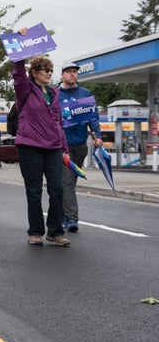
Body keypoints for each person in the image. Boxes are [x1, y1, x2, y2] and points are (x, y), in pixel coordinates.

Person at [13, 55, 71, 246]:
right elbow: (18, 75)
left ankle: (55, 231)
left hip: (53, 147)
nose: (49, 73)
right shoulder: (25, 90)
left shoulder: (55, 93)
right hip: (30, 146)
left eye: (50, 70)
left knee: (57, 189)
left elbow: (59, 122)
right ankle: (35, 231)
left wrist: (64, 148)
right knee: (34, 191)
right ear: (35, 72)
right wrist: (19, 56)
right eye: (45, 70)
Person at [59, 62, 102, 233]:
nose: (72, 74)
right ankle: (71, 218)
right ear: (62, 74)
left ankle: (62, 213)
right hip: (63, 146)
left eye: (74, 72)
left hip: (80, 146)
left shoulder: (85, 94)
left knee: (68, 183)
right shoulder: (55, 94)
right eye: (68, 72)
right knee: (67, 182)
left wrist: (97, 135)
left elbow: (93, 117)